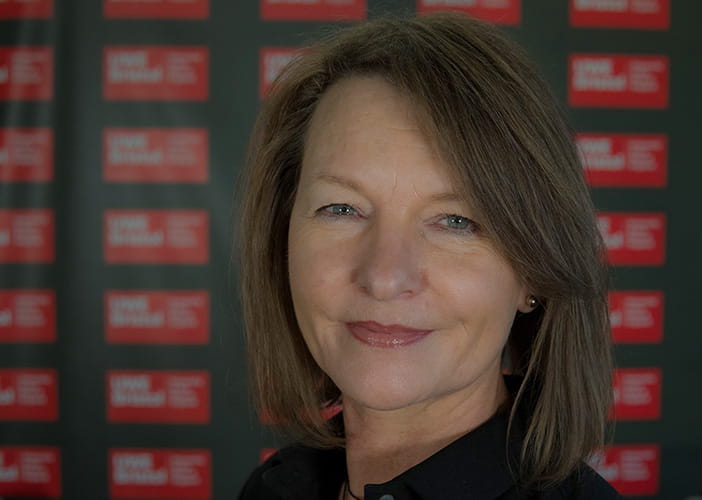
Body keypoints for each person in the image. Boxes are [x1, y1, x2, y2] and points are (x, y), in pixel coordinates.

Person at [237, 12, 621, 500]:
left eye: (456, 221)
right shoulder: (276, 487)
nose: (384, 277)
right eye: (342, 208)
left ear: (533, 272)